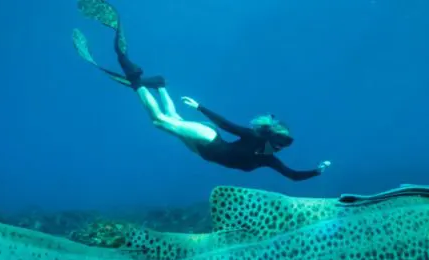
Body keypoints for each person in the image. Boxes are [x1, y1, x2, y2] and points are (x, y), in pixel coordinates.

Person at [74, 2, 330, 182]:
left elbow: (293, 176)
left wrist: (318, 171)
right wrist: (199, 107)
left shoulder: (269, 160)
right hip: (208, 139)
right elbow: (225, 125)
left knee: (173, 120)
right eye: (281, 142)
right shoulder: (254, 139)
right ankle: (133, 76)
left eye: (285, 144)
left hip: (203, 153)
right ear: (271, 137)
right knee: (160, 121)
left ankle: (160, 85)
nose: (282, 147)